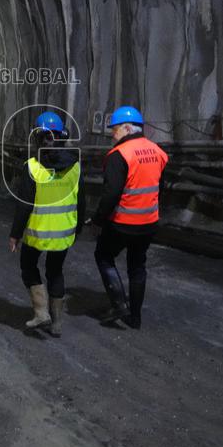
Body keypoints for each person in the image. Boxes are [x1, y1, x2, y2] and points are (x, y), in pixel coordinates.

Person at [86, 106, 168, 329]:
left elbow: (111, 194)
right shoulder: (157, 151)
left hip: (123, 223)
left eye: (115, 130)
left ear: (127, 128)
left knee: (103, 256)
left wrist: (98, 220)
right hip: (149, 223)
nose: (112, 135)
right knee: (137, 266)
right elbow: (159, 187)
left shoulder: (119, 154)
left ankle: (119, 305)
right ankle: (135, 318)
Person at [8, 111, 82, 337]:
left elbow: (24, 205)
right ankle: (56, 323)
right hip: (64, 233)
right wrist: (77, 230)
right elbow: (82, 202)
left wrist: (15, 234)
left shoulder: (32, 167)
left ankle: (41, 313)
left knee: (28, 266)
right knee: (56, 272)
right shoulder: (75, 166)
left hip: (37, 233)